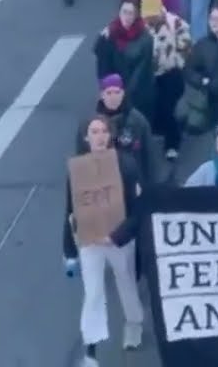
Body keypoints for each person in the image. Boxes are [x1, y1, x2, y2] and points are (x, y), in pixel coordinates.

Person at [62, 116, 144, 366]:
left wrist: (118, 236)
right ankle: (91, 352)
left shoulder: (126, 165)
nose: (98, 136)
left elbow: (137, 208)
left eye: (103, 131)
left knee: (126, 281)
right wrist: (69, 250)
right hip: (90, 242)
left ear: (110, 135)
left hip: (119, 239)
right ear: (86, 137)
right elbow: (70, 210)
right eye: (93, 131)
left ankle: (134, 322)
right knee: (93, 293)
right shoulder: (77, 171)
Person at [139, 0, 193, 162]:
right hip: (149, 75)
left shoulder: (175, 23)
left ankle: (172, 144)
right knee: (153, 106)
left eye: (152, 16)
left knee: (168, 108)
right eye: (147, 16)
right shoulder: (140, 27)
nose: (150, 20)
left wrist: (175, 62)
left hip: (171, 74)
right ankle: (162, 129)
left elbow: (186, 47)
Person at [82, 74, 156, 183]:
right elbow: (82, 156)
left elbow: (149, 156)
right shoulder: (91, 124)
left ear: (123, 93)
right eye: (109, 93)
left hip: (132, 183)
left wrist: (149, 187)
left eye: (117, 92)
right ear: (102, 95)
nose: (113, 97)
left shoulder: (138, 122)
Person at [94, 0, 156, 123]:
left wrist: (125, 93)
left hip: (136, 90)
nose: (127, 17)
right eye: (124, 12)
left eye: (131, 13)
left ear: (136, 15)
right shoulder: (111, 32)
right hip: (114, 87)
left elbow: (141, 70)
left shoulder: (145, 38)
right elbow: (100, 59)